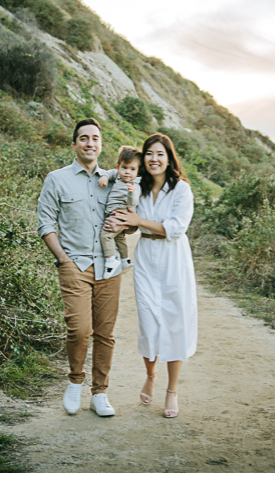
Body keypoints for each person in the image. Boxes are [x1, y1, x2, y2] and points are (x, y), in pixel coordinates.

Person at [104, 133, 197, 419]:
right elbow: (133, 224)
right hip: (147, 258)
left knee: (175, 321)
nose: (154, 159)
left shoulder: (181, 189)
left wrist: (138, 221)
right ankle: (151, 374)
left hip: (174, 260)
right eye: (149, 154)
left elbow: (175, 228)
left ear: (169, 159)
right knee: (148, 319)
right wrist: (119, 223)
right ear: (143, 158)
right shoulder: (138, 187)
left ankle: (172, 391)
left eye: (160, 154)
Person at [36, 118, 122, 418]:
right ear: (74, 145)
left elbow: (129, 220)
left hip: (110, 267)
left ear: (101, 145)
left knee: (106, 333)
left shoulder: (115, 180)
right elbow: (45, 223)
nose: (90, 143)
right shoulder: (56, 179)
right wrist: (63, 259)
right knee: (80, 329)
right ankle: (75, 381)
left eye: (95, 138)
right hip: (75, 265)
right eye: (84, 138)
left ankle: (100, 392)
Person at [96, 145, 142, 277]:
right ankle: (125, 259)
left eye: (132, 169)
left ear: (138, 172)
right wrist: (105, 176)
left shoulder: (135, 185)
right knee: (120, 237)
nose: (128, 172)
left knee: (105, 236)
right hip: (114, 211)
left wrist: (131, 192)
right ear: (118, 167)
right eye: (124, 168)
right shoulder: (118, 176)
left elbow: (133, 202)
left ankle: (110, 261)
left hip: (120, 213)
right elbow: (110, 173)